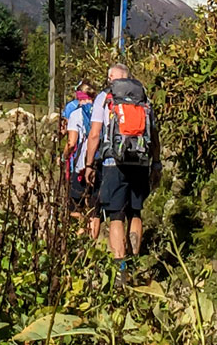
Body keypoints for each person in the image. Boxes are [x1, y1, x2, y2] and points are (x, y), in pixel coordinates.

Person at [83, 63, 160, 283]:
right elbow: (154, 134)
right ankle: (134, 264)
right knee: (135, 213)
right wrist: (156, 164)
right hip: (141, 162)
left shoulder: (105, 97)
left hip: (112, 162)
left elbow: (95, 134)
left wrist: (89, 164)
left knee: (116, 215)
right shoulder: (143, 97)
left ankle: (120, 270)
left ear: (111, 77)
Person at [61, 81, 101, 238]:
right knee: (94, 209)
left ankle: (79, 237)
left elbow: (71, 143)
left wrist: (63, 156)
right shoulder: (102, 112)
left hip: (80, 166)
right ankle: (92, 242)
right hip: (99, 164)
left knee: (75, 206)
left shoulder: (76, 114)